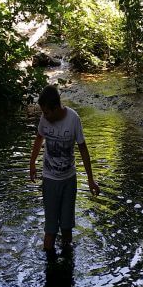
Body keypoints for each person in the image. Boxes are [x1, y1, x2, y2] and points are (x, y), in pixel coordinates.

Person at [30, 85, 100, 260]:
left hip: (69, 180)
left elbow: (83, 148)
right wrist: (32, 164)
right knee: (51, 230)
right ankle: (49, 269)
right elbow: (39, 139)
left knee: (67, 228)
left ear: (56, 108)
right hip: (50, 179)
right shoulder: (44, 120)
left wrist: (91, 180)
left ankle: (67, 266)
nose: (44, 116)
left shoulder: (73, 119)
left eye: (46, 112)